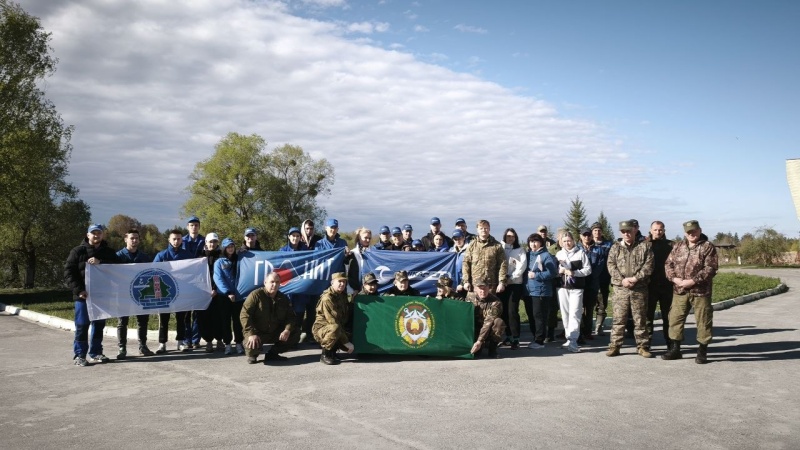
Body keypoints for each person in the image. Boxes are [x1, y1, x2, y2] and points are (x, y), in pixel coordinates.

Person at [662, 220, 718, 364]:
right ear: (685, 233)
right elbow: (669, 264)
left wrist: (693, 281)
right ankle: (675, 349)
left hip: (700, 291)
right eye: (688, 232)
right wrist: (673, 278)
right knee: (675, 319)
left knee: (703, 321)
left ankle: (702, 351)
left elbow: (710, 268)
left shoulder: (707, 247)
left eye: (694, 231)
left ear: (699, 230)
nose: (691, 234)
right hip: (679, 290)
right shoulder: (678, 246)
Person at [64, 224, 120, 366]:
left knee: (99, 325)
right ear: (88, 235)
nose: (96, 235)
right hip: (83, 297)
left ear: (103, 235)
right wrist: (79, 290)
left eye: (99, 233)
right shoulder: (77, 251)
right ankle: (80, 355)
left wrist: (100, 262)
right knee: (82, 325)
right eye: (93, 233)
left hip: (102, 296)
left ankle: (96, 353)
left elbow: (118, 269)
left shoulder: (109, 252)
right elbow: (69, 273)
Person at [606, 221, 654, 358]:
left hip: (639, 288)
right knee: (618, 319)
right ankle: (615, 346)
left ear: (634, 230)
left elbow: (649, 265)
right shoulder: (615, 247)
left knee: (640, 319)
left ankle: (642, 346)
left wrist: (635, 278)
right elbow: (611, 265)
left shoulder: (644, 247)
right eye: (623, 231)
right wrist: (622, 280)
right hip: (620, 288)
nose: (626, 234)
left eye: (629, 231)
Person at [240, 272, 300, 364]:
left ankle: (273, 354)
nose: (274, 285)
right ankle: (253, 354)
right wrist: (251, 333)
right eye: (272, 282)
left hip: (275, 331)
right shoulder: (255, 295)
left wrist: (287, 330)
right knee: (251, 343)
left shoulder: (283, 298)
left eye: (277, 282)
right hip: (257, 332)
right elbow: (245, 315)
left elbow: (291, 317)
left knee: (295, 332)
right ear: (265, 282)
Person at [153, 228, 195, 354]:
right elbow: (154, 273)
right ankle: (162, 343)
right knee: (163, 318)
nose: (176, 241)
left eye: (178, 239)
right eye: (174, 239)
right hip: (165, 293)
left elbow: (193, 272)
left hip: (181, 292)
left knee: (181, 318)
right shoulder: (161, 255)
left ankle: (181, 342)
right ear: (169, 240)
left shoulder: (187, 255)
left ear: (182, 240)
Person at [115, 229, 153, 358]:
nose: (134, 240)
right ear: (126, 239)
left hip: (140, 294)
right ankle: (122, 348)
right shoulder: (118, 256)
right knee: (122, 322)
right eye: (132, 238)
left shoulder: (144, 257)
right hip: (123, 294)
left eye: (136, 238)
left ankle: (143, 346)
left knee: (142, 321)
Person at [555, 231, 592, 353]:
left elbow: (588, 270)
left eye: (569, 240)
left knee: (575, 313)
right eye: (564, 241)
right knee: (565, 313)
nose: (567, 243)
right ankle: (568, 337)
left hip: (576, 288)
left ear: (573, 240)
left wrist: (575, 273)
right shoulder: (559, 254)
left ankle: (574, 340)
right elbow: (554, 271)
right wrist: (559, 271)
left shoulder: (580, 253)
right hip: (562, 287)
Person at [312, 273, 355, 365]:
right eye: (339, 281)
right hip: (322, 329)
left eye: (344, 282)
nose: (342, 284)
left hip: (337, 327)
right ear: (332, 283)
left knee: (350, 333)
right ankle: (325, 354)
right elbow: (333, 321)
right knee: (335, 328)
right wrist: (346, 342)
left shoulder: (342, 295)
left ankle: (333, 352)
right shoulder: (327, 298)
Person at [525, 233, 557, 349]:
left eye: (536, 241)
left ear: (541, 243)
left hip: (541, 291)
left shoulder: (546, 256)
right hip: (529, 291)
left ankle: (540, 340)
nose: (533, 244)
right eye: (531, 241)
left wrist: (536, 275)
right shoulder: (528, 255)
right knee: (532, 316)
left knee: (539, 316)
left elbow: (552, 273)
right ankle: (536, 337)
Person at [279, 227, 311, 339]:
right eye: (293, 236)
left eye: (297, 236)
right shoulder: (282, 251)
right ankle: (285, 339)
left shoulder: (306, 251)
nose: (295, 238)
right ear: (289, 237)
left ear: (300, 237)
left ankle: (295, 338)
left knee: (299, 313)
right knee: (286, 315)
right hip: (287, 289)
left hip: (301, 289)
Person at [646, 220, 674, 350]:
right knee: (647, 316)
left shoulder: (671, 245)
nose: (658, 232)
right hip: (649, 286)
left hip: (667, 286)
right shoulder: (644, 245)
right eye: (655, 229)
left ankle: (670, 343)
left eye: (660, 229)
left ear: (664, 231)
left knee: (668, 317)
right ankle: (646, 343)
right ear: (651, 230)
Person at [499, 228, 528, 350]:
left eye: (513, 236)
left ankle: (515, 338)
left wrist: (511, 278)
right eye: (508, 236)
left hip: (514, 284)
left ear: (515, 238)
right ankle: (507, 336)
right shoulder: (500, 248)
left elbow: (522, 266)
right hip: (502, 284)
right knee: (503, 310)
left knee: (512, 311)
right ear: (505, 236)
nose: (510, 238)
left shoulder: (520, 250)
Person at [462, 220, 507, 295]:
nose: (484, 230)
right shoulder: (471, 245)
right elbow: (466, 264)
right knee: (473, 306)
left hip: (491, 286)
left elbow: (503, 264)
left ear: (489, 229)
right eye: (481, 228)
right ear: (477, 230)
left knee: (492, 306)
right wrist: (466, 281)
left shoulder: (497, 246)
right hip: (474, 286)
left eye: (486, 228)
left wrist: (502, 282)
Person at [465, 278, 506, 359]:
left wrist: (480, 341)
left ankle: (492, 348)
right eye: (480, 289)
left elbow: (488, 322)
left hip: (487, 328)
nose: (482, 291)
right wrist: (440, 296)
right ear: (475, 289)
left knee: (499, 322)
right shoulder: (469, 298)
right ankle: (474, 346)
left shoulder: (496, 302)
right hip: (474, 328)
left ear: (489, 288)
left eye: (485, 288)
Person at [577, 228, 603, 345]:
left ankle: (588, 331)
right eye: (584, 235)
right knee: (579, 309)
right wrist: (582, 274)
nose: (587, 237)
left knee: (590, 308)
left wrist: (589, 274)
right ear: (580, 236)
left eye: (588, 235)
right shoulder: (576, 249)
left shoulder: (599, 250)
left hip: (592, 283)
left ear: (591, 236)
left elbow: (600, 266)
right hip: (579, 283)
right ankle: (579, 331)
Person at [213, 238, 237, 355]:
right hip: (224, 296)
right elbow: (218, 279)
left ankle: (239, 343)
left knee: (238, 321)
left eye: (232, 246)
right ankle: (227, 344)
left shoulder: (239, 259)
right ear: (224, 248)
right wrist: (227, 293)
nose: (230, 248)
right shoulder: (219, 262)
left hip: (238, 296)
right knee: (225, 321)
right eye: (228, 247)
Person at [198, 233, 222, 352]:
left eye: (214, 242)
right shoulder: (199, 257)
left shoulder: (222, 256)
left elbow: (225, 276)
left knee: (219, 317)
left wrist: (216, 289)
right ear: (206, 243)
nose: (212, 244)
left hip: (218, 293)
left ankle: (219, 340)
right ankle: (208, 341)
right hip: (203, 294)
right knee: (204, 318)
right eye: (210, 242)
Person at [591, 222, 613, 335]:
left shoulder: (609, 244)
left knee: (602, 303)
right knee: (589, 303)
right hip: (590, 278)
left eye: (599, 230)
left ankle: (599, 327)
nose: (597, 232)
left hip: (604, 278)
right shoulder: (588, 244)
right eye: (595, 230)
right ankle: (587, 327)